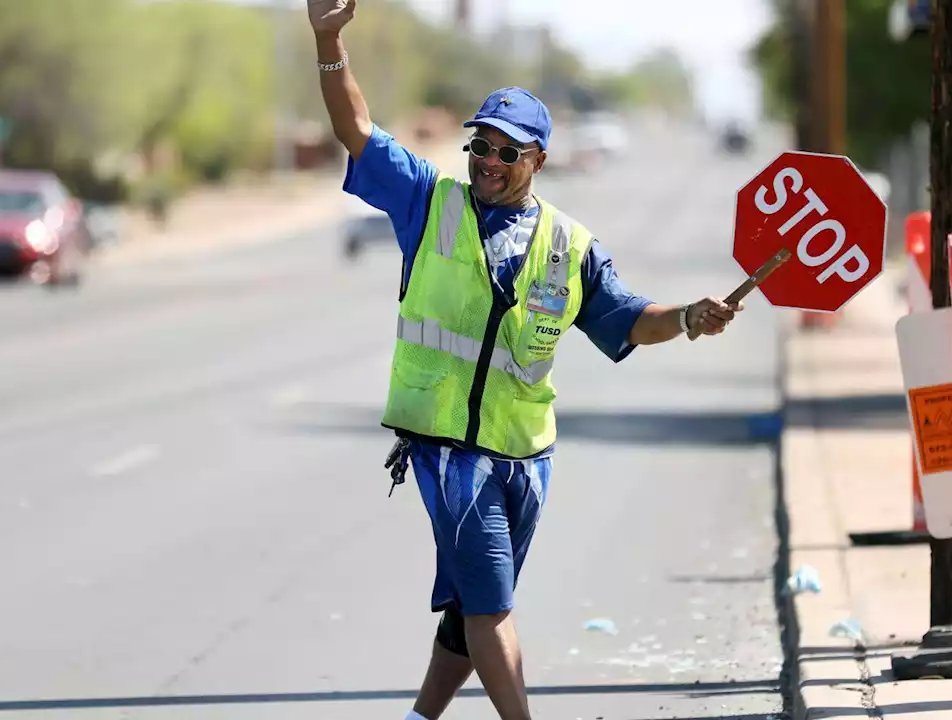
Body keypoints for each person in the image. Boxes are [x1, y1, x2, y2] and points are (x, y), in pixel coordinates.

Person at [307, 2, 743, 719]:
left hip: (526, 454)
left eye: (509, 152)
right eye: (481, 146)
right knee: (491, 603)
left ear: (538, 159)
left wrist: (690, 319)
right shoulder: (427, 201)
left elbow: (630, 320)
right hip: (449, 449)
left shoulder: (569, 245)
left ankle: (421, 716)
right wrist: (329, 42)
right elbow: (355, 130)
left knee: (475, 602)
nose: (489, 163)